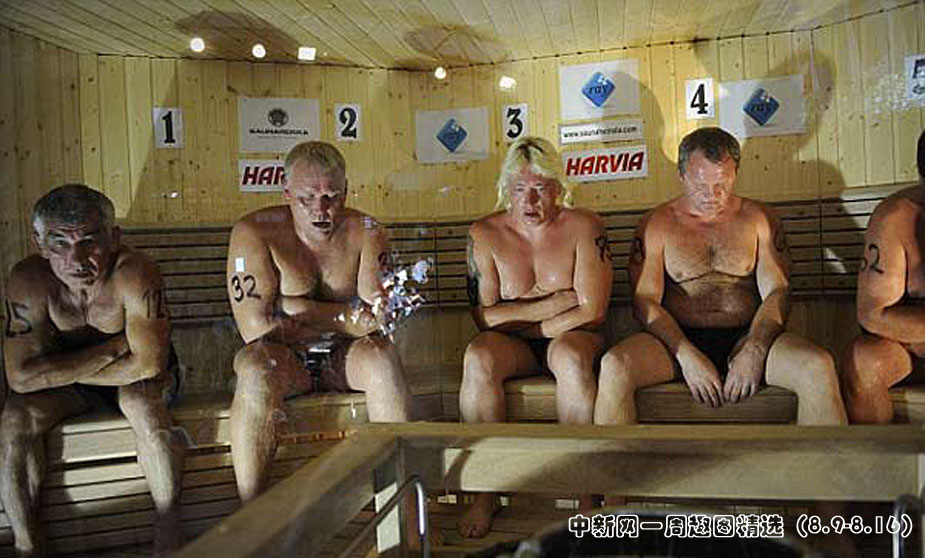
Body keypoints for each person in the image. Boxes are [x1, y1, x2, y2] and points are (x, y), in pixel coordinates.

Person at [594, 127, 846, 425]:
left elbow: (778, 291)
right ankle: (614, 457)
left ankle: (827, 460)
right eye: (700, 185)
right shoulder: (657, 224)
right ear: (681, 175)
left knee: (817, 367)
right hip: (675, 341)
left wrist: (755, 349)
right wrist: (686, 355)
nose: (711, 196)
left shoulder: (759, 219)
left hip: (747, 335)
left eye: (721, 185)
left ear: (735, 173)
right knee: (615, 366)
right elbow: (644, 301)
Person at [1, 184, 184, 557]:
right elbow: (19, 378)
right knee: (15, 418)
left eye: (89, 241)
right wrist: (113, 348)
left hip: (137, 379)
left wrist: (53, 372)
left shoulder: (134, 272)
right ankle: (27, 545)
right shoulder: (28, 281)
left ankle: (168, 527)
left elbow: (149, 363)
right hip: (85, 384)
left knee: (141, 404)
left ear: (114, 238)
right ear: (39, 242)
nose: (77, 258)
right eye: (60, 243)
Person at [226, 141, 413, 502]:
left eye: (331, 197)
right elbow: (255, 329)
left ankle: (400, 506)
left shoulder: (367, 230)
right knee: (254, 367)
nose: (321, 210)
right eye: (307, 198)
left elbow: (377, 320)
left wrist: (296, 306)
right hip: (285, 361)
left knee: (382, 358)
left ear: (346, 190)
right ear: (286, 193)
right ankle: (251, 514)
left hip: (343, 359)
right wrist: (346, 318)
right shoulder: (254, 232)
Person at [459, 136, 613, 538]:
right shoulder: (484, 234)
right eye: (519, 189)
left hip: (576, 337)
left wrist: (525, 321)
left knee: (569, 359)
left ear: (558, 187)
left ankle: (584, 497)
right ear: (505, 189)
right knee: (478, 357)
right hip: (517, 345)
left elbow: (592, 311)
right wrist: (551, 306)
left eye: (540, 188)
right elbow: (484, 317)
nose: (529, 201)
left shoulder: (584, 226)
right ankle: (485, 492)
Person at [842, 130, 925, 423]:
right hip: (909, 349)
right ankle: (877, 453)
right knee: (862, 361)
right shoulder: (895, 219)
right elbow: (873, 315)